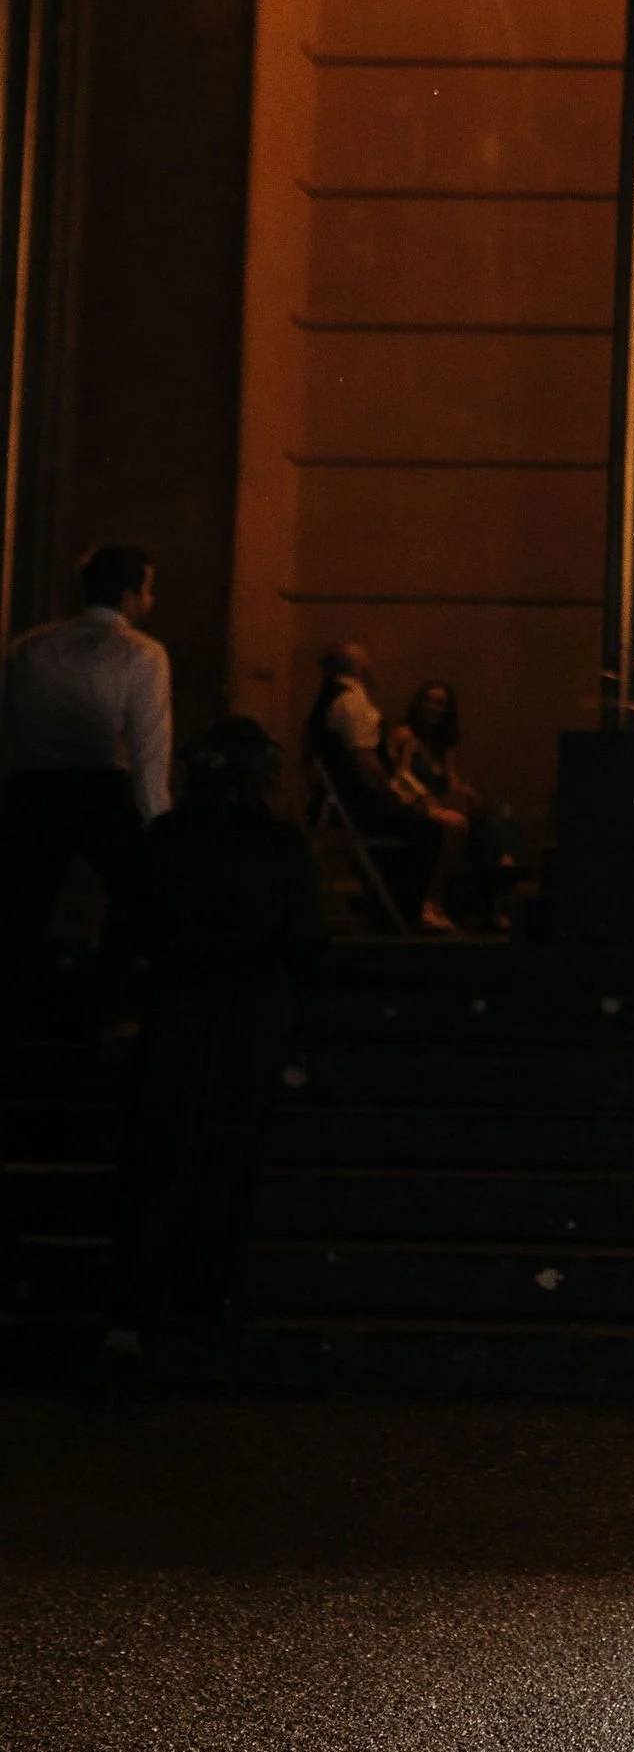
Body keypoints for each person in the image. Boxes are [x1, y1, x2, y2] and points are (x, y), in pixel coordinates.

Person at [110, 718, 324, 1352]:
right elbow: (305, 940)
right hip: (251, 1014)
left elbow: (133, 926)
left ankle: (143, 1294)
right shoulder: (279, 845)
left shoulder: (167, 839)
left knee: (162, 1151)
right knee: (230, 1154)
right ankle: (209, 1293)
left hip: (179, 1006)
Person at [0, 543, 171, 1009]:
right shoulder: (142, 653)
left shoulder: (28, 647)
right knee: (135, 894)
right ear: (132, 593)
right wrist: (159, 823)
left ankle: (15, 1010)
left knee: (22, 910)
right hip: (101, 787)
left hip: (31, 787)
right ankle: (108, 1000)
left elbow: (11, 724)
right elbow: (148, 746)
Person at [303, 643, 444, 929]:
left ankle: (386, 905)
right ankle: (404, 912)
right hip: (356, 803)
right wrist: (393, 795)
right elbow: (364, 761)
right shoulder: (353, 702)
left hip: (339, 801)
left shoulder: (327, 698)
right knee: (427, 830)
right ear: (359, 668)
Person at [388, 683, 517, 930]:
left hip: (441, 802)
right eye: (430, 701)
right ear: (419, 703)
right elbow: (398, 778)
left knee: (497, 813)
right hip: (416, 804)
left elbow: (451, 780)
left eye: (440, 703)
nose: (434, 708)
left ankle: (499, 878)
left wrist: (465, 791)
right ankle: (432, 901)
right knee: (458, 825)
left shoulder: (442, 746)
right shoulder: (404, 736)